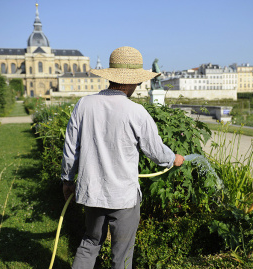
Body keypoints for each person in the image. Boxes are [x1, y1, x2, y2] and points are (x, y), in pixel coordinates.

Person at [61, 46, 185, 269]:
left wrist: (68, 180)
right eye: (138, 82)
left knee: (89, 243)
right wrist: (172, 159)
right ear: (131, 82)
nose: (138, 86)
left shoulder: (84, 105)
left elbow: (71, 150)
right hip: (123, 197)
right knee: (122, 254)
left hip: (92, 192)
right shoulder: (136, 112)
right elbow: (156, 152)